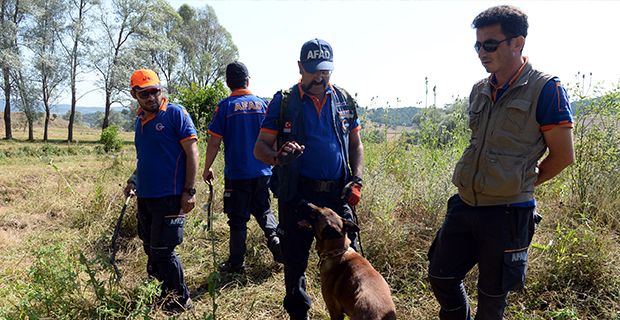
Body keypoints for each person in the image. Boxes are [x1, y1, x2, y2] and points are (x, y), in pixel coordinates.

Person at [427, 5, 575, 320]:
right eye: (478, 45)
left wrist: (520, 182)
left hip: (509, 214)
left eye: (490, 45)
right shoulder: (480, 89)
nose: (481, 52)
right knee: (441, 277)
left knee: (492, 299)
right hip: (465, 204)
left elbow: (563, 156)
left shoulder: (546, 88)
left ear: (517, 43)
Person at [254, 38, 365, 320]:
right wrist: (279, 157)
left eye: (325, 70)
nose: (320, 77)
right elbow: (261, 148)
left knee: (348, 259)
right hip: (298, 196)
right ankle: (298, 314)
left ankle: (351, 309)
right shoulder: (284, 102)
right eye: (314, 70)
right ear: (300, 67)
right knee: (295, 261)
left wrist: (357, 179)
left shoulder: (343, 99)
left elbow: (356, 144)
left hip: (337, 195)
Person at [124, 69, 198, 313]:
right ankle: (160, 295)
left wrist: (189, 191)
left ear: (161, 89)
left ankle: (179, 301)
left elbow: (192, 152)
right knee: (149, 247)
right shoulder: (138, 120)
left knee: (163, 251)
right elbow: (144, 157)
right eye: (144, 93)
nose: (151, 97)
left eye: (155, 91)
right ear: (135, 94)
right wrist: (134, 179)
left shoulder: (176, 114)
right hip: (145, 195)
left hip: (170, 196)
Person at [202, 61, 283, 273]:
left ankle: (236, 263)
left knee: (238, 219)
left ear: (228, 83)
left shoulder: (225, 107)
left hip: (237, 175)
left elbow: (214, 142)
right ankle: (276, 241)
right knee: (264, 210)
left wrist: (207, 168)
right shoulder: (263, 105)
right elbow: (275, 138)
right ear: (248, 81)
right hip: (264, 171)